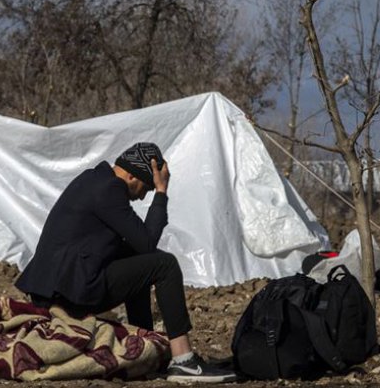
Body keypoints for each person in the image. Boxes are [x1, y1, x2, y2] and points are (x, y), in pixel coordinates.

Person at [15, 142, 236, 383]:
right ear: (131, 174)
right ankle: (184, 361)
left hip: (58, 287)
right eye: (146, 186)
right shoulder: (110, 189)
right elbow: (147, 243)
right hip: (70, 291)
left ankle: (147, 347)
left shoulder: (93, 180)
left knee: (143, 263)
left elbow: (138, 249)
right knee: (165, 265)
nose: (143, 195)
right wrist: (162, 192)